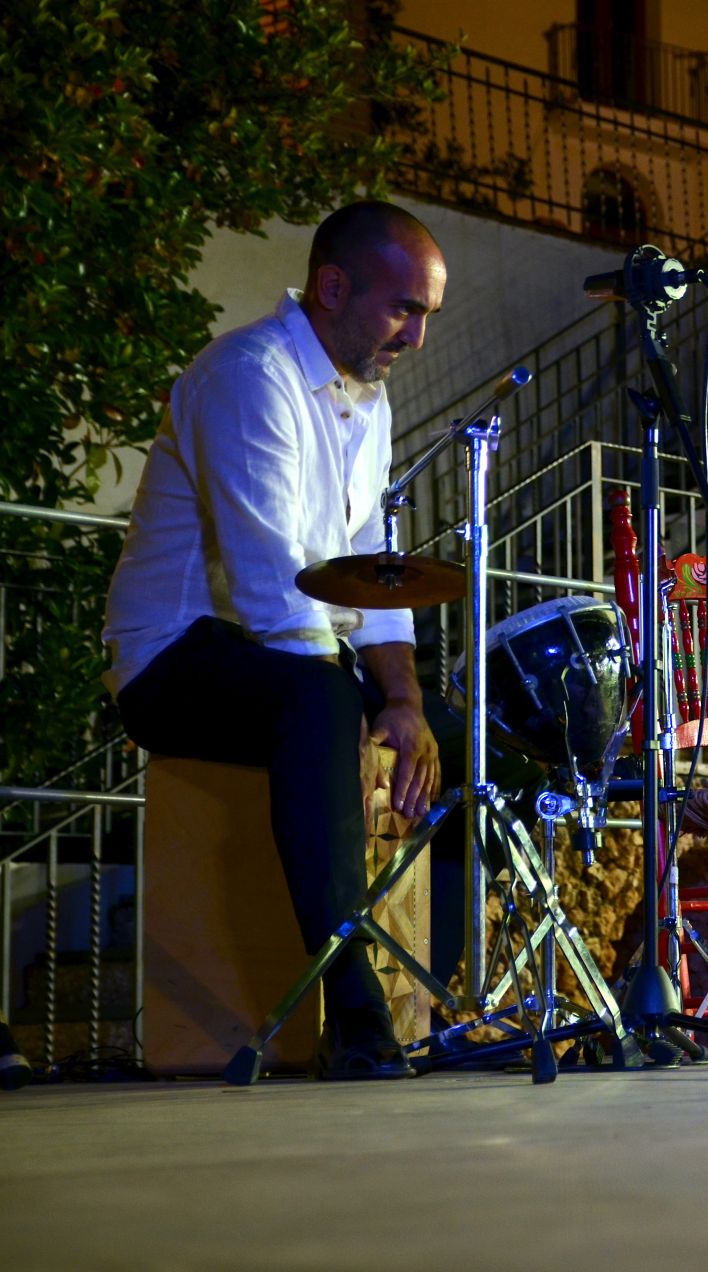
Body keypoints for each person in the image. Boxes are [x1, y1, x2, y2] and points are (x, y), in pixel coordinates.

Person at [102, 201, 446, 1077]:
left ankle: (441, 1002)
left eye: (426, 316)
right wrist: (357, 698)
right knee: (319, 695)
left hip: (282, 657)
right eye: (404, 308)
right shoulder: (250, 374)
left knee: (456, 726)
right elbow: (269, 592)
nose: (415, 337)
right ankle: (353, 1010)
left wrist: (403, 702)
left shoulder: (365, 398)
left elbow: (371, 570)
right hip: (174, 656)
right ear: (332, 287)